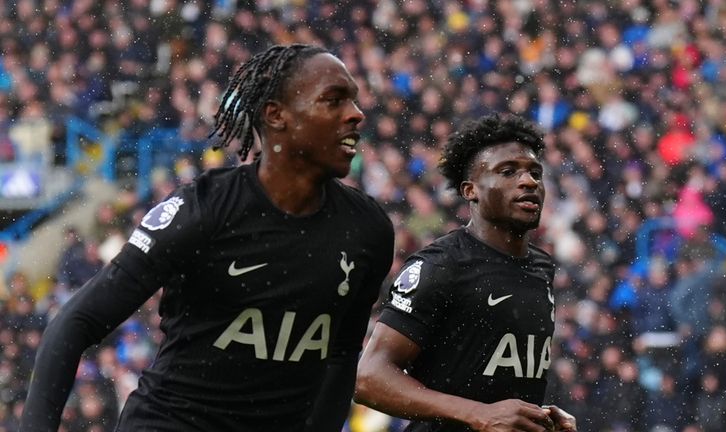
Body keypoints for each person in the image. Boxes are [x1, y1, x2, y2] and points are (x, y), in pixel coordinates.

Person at [21, 43, 394, 432]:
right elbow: (77, 321)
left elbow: (341, 355)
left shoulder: (368, 231)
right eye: (333, 101)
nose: (356, 114)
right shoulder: (203, 211)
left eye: (353, 100)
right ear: (277, 115)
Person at [354, 113, 577, 432]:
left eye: (535, 172)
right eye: (508, 171)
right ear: (471, 190)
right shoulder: (441, 265)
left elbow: (492, 384)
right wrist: (479, 415)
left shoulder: (542, 267)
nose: (528, 181)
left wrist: (541, 418)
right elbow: (370, 378)